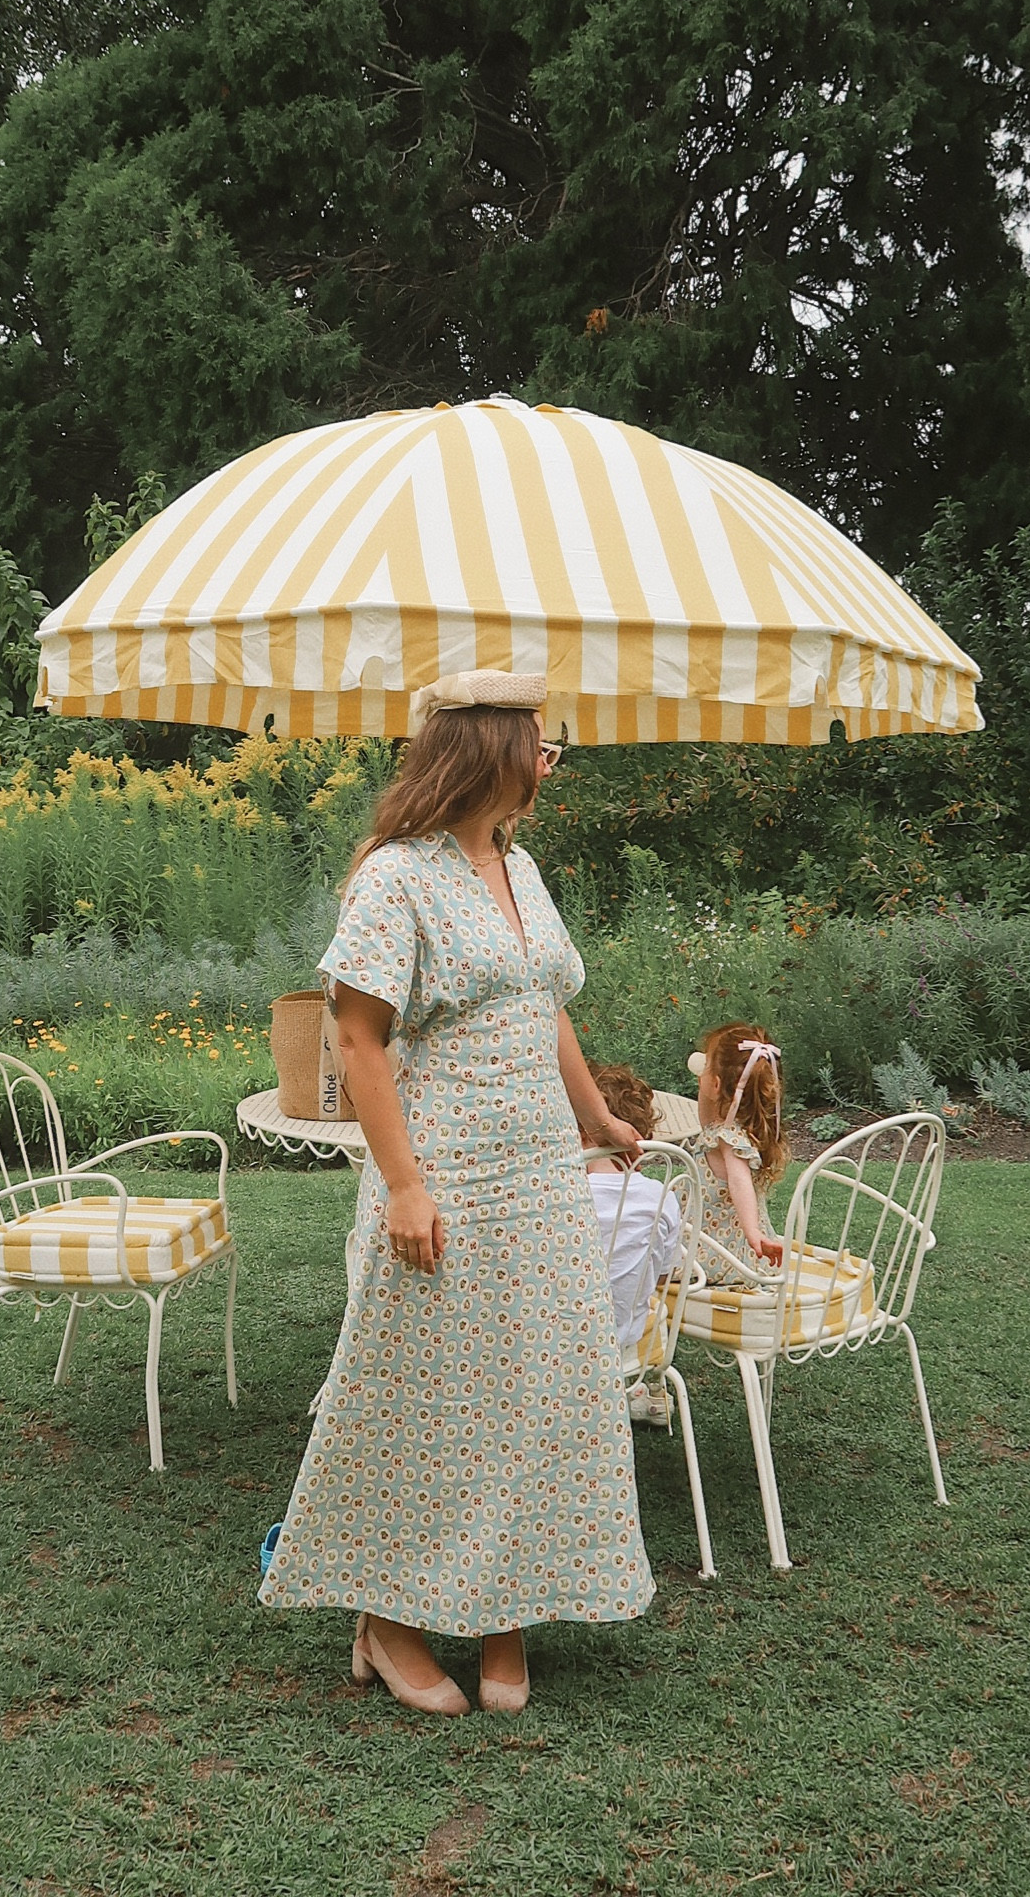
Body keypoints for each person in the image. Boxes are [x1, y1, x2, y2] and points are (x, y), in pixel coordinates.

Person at [257, 669, 655, 1718]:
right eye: (541, 744)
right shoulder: (395, 876)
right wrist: (403, 1186)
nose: (551, 762)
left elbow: (544, 1002)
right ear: (491, 751)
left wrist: (595, 1118)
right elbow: (356, 1039)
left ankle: (502, 1609)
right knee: (424, 1401)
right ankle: (387, 1621)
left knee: (536, 1392)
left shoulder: (519, 867)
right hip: (448, 1176)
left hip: (540, 1175)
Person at [580, 1065, 683, 1428]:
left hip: (554, 1342)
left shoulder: (562, 1195)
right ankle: (642, 1391)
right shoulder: (660, 1196)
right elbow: (664, 1277)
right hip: (623, 1339)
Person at [689, 1021, 788, 1280]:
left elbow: (739, 1181)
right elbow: (705, 1119)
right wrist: (707, 1084)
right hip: (716, 1236)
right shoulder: (734, 1128)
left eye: (706, 1065)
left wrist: (752, 1231)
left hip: (722, 1249)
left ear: (716, 1084)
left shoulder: (729, 1140)